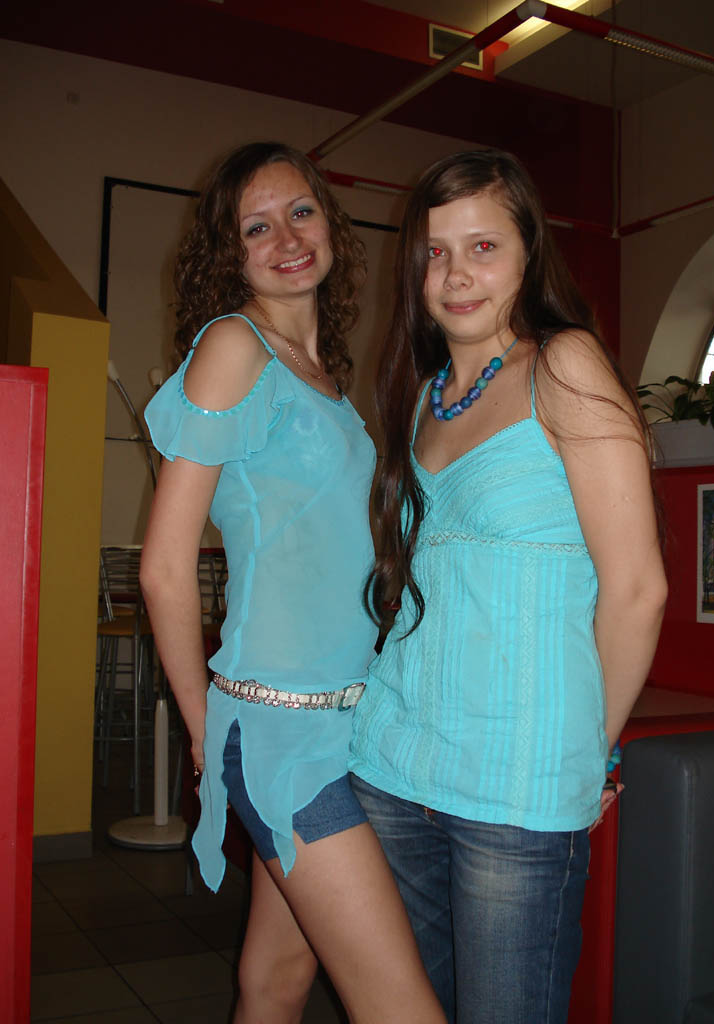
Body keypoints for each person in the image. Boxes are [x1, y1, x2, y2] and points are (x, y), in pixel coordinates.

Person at [349, 148, 668, 1024]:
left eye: (483, 247)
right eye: (435, 252)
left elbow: (637, 590)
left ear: (530, 253)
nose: (456, 275)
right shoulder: (425, 396)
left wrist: (589, 752)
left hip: (515, 789)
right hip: (393, 767)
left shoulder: (565, 366)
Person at [140, 142, 446, 1024]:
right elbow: (164, 566)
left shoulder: (327, 382)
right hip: (281, 734)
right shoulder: (234, 347)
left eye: (300, 212)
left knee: (275, 982)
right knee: (401, 1007)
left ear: (330, 225)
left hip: (349, 723)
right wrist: (205, 733)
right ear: (229, 253)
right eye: (256, 227)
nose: (285, 238)